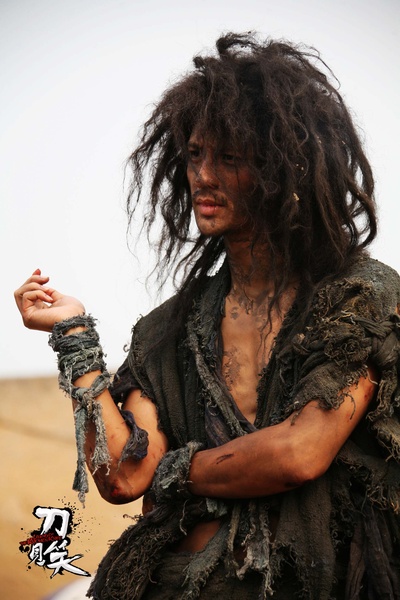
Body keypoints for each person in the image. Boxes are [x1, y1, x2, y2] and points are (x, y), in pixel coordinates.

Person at [15, 32, 400, 599]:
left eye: (230, 158)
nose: (204, 176)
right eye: (195, 155)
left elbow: (299, 452)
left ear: (282, 168)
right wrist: (74, 337)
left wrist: (176, 471)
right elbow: (124, 475)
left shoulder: (358, 298)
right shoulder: (167, 330)